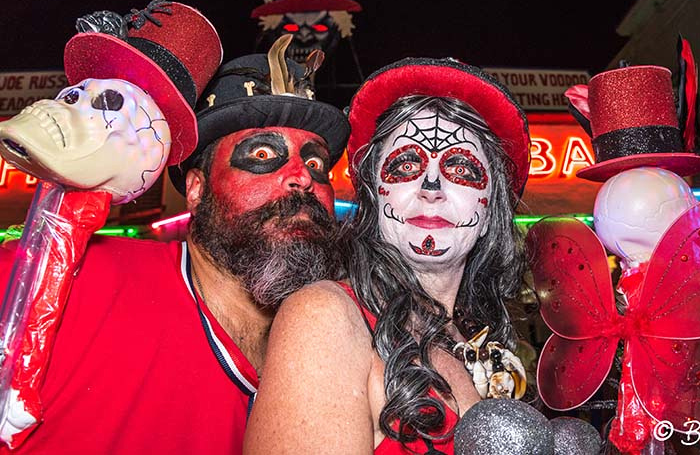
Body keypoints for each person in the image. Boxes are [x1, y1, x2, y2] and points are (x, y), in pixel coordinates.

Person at [0, 32, 350, 452]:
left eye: (316, 163)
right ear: (197, 189)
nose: (303, 177)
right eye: (261, 156)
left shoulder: (346, 353)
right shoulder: (69, 282)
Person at [244, 57, 531, 454]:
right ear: (373, 197)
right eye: (407, 164)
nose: (432, 186)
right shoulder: (325, 315)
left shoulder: (480, 346)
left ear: (489, 212)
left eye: (462, 168)